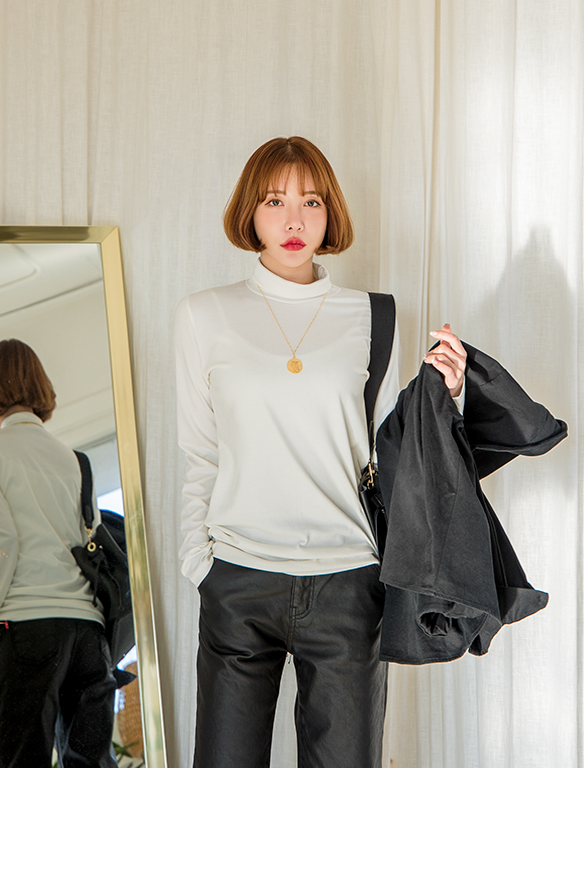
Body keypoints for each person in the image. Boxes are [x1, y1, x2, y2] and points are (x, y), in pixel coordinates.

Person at [177, 130, 465, 769]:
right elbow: (201, 452)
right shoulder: (203, 316)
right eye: (275, 201)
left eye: (310, 202)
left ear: (330, 213)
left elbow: (393, 450)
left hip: (347, 581)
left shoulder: (374, 316)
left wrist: (446, 395)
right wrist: (201, 564)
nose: (294, 220)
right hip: (238, 577)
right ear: (250, 212)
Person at [0, 336, 115, 768]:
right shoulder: (76, 460)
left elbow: (1, 540)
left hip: (25, 628)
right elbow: (89, 542)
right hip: (88, 635)